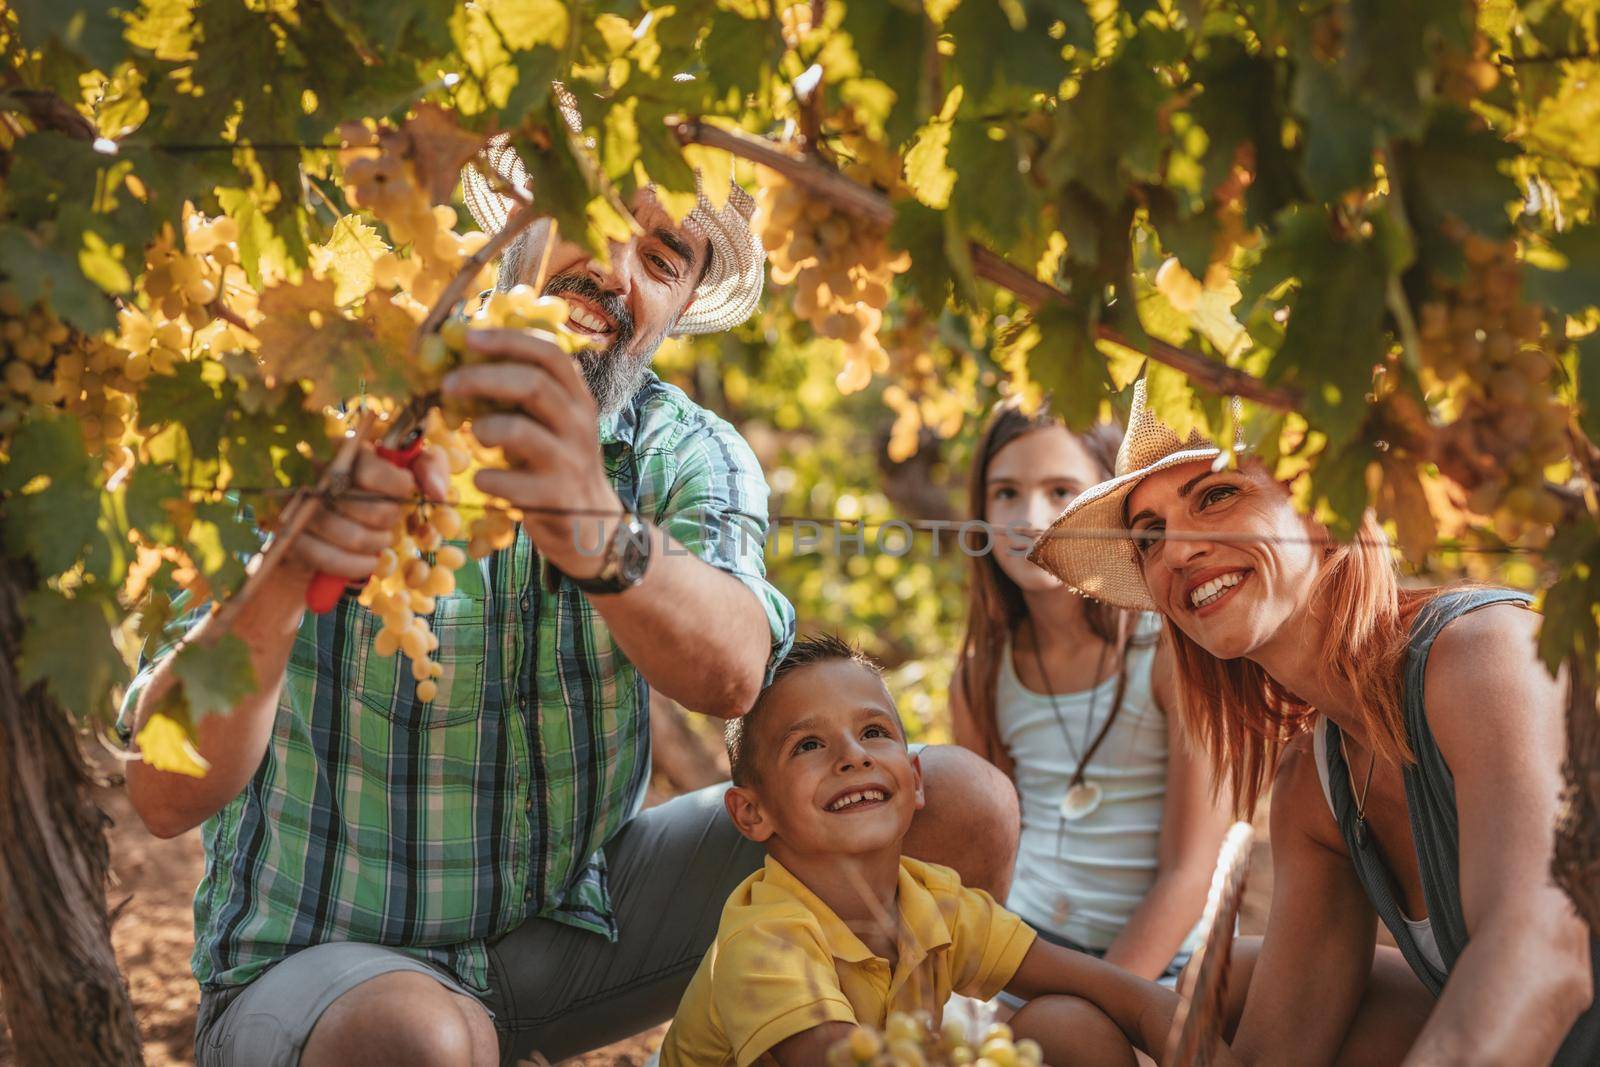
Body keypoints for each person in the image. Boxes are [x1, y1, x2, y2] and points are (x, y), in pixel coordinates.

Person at [116, 133, 1020, 1067]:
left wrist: (596, 530)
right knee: (421, 1033)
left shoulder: (683, 451)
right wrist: (281, 580)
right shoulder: (332, 402)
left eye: (663, 261)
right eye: (587, 219)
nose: (615, 271)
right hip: (323, 979)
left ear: (677, 307)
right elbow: (162, 794)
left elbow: (735, 668)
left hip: (573, 942)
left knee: (949, 807)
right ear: (515, 217)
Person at [1028, 377, 1600, 1065]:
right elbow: (1280, 1052)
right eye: (1148, 537)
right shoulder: (1314, 783)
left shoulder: (1480, 654)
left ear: (1326, 505)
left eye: (1216, 494)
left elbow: (1545, 954)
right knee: (1203, 982)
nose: (1175, 552)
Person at [658, 635, 1189, 1067]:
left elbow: (1115, 990)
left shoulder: (936, 902)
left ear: (915, 780)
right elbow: (837, 1059)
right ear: (752, 812)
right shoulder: (762, 938)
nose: (853, 755)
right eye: (809, 745)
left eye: (873, 731)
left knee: (1069, 1023)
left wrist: (1176, 1030)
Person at [951, 399, 1229, 988]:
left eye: (1060, 491)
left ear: (1106, 506)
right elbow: (986, 857)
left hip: (1156, 963)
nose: (1029, 516)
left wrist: (1097, 1001)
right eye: (1005, 493)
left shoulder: (1171, 653)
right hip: (1024, 952)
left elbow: (1189, 871)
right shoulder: (982, 673)